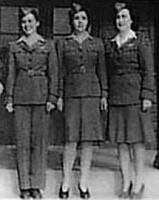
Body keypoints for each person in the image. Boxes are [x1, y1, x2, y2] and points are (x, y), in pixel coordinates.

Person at [5, 8, 58, 199]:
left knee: (40, 143)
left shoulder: (48, 45)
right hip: (20, 97)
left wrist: (52, 97)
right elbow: (10, 74)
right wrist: (9, 98)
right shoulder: (14, 46)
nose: (27, 25)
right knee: (22, 142)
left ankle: (37, 185)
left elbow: (54, 73)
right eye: (24, 22)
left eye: (30, 21)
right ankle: (24, 186)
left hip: (41, 97)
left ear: (37, 23)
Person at [57, 2, 107, 199]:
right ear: (72, 21)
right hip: (71, 95)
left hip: (91, 95)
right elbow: (60, 71)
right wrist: (59, 95)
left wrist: (104, 94)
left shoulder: (97, 44)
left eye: (84, 19)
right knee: (70, 139)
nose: (80, 22)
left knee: (87, 141)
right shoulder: (64, 43)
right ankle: (65, 182)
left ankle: (84, 183)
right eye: (77, 18)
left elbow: (102, 71)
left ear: (88, 22)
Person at [105, 2, 155, 199]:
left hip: (135, 98)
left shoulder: (141, 41)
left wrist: (147, 95)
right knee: (121, 141)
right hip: (117, 98)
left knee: (136, 141)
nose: (120, 20)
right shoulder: (111, 43)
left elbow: (148, 71)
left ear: (132, 20)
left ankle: (139, 183)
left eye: (124, 16)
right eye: (118, 17)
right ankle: (126, 182)